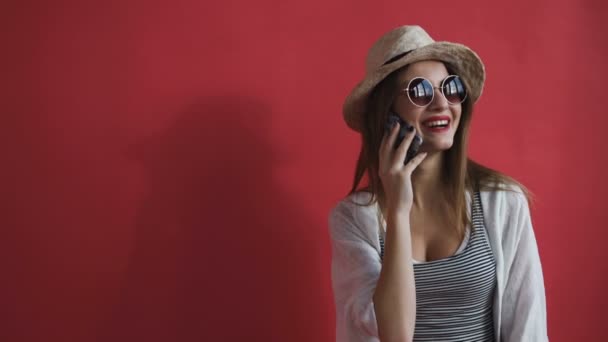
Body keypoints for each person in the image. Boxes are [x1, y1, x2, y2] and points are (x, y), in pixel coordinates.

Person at [328, 25, 548, 342]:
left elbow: (528, 327)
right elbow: (394, 335)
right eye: (420, 91)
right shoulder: (353, 219)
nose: (442, 104)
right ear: (386, 112)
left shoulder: (503, 203)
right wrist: (398, 212)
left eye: (450, 87)